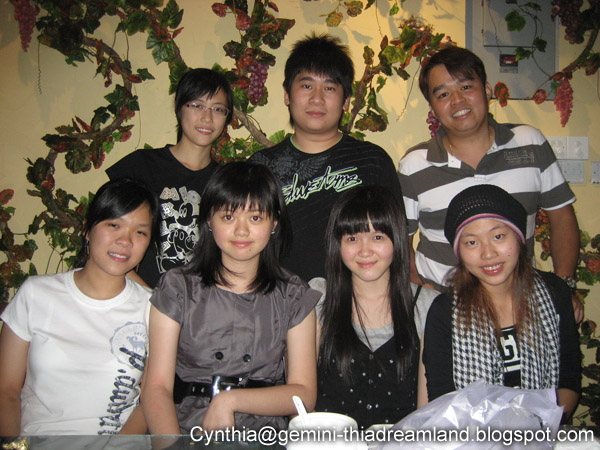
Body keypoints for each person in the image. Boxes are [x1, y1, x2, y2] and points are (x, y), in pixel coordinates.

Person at [398, 46, 581, 321]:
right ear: (433, 107)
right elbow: (401, 238)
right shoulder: (415, 165)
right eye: (443, 94)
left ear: (487, 90)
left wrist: (564, 287)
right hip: (442, 308)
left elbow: (562, 216)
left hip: (519, 303)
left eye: (466, 87)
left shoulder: (529, 143)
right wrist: (419, 291)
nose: (457, 100)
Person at [141, 161, 320, 434]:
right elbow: (156, 387)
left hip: (263, 435)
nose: (241, 230)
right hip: (185, 430)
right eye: (228, 217)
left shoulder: (294, 295)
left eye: (255, 218)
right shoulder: (178, 288)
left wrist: (229, 401)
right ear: (209, 220)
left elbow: (304, 394)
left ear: (274, 222)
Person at [0, 178, 159, 436]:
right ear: (87, 229)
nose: (125, 241)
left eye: (140, 232)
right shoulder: (36, 294)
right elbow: (6, 390)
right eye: (114, 225)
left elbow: (150, 400)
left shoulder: (153, 310)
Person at [250, 33, 403, 284]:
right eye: (306, 86)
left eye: (329, 88)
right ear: (287, 95)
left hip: (357, 301)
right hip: (280, 301)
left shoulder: (372, 161)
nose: (317, 98)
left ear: (346, 101)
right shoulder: (260, 168)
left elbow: (395, 241)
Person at [423, 185, 581, 421]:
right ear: (459, 252)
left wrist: (537, 425)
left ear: (518, 237)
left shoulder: (554, 293)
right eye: (471, 242)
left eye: (498, 237)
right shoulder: (444, 311)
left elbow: (569, 380)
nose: (488, 254)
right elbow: (442, 398)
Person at [314, 186, 430, 429]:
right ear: (337, 244)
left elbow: (427, 415)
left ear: (397, 240)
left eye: (377, 237)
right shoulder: (318, 298)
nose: (364, 251)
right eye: (352, 238)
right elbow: (302, 399)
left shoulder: (426, 306)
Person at [106, 68, 233, 288]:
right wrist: (152, 298)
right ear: (179, 108)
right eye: (197, 105)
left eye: (218, 109)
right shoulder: (141, 166)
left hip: (201, 303)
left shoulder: (227, 182)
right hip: (139, 297)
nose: (207, 117)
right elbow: (106, 237)